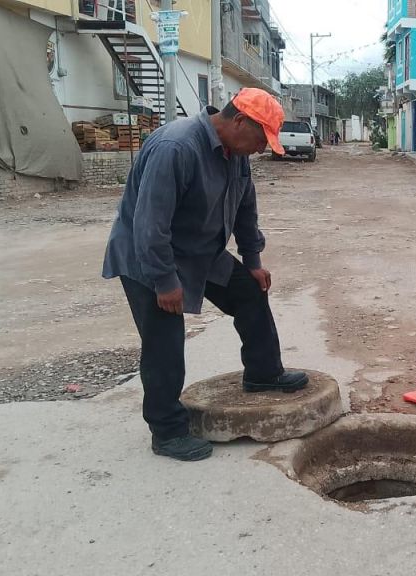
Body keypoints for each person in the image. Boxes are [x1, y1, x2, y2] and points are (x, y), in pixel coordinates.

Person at [102, 88, 308, 462]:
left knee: (249, 292)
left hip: (200, 252)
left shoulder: (236, 153)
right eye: (262, 139)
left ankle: (263, 373)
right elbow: (150, 224)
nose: (262, 149)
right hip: (148, 257)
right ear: (240, 122)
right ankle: (166, 431)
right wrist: (165, 282)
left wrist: (252, 260)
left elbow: (246, 208)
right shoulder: (175, 148)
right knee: (165, 338)